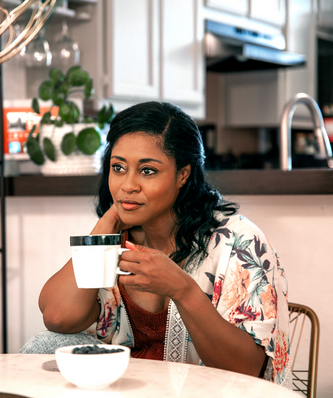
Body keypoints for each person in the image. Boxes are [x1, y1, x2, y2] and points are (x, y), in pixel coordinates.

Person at [20, 101, 290, 385]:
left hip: (206, 393)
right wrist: (105, 225)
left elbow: (245, 370)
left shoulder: (238, 241)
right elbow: (58, 318)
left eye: (147, 171)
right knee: (45, 343)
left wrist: (181, 288)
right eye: (118, 167)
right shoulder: (118, 238)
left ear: (183, 174)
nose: (128, 185)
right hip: (128, 389)